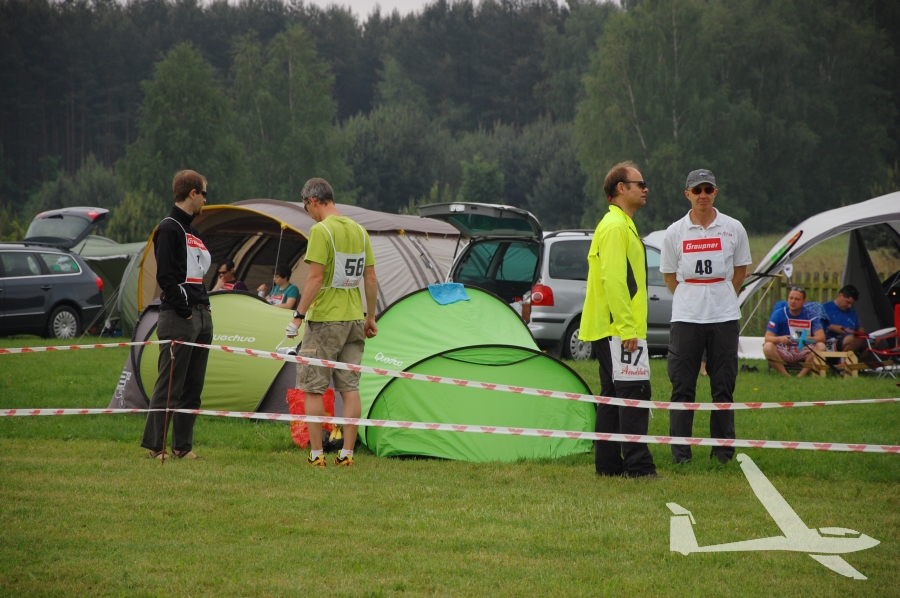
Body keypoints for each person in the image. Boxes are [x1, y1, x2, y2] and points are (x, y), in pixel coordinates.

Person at [660, 169, 752, 465]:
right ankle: (681, 455)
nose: (703, 195)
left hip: (724, 317)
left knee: (723, 386)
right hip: (686, 318)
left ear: (715, 192)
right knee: (682, 387)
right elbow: (669, 276)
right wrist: (692, 297)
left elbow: (740, 272)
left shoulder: (734, 228)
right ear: (687, 194)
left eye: (708, 190)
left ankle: (722, 454)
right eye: (697, 190)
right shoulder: (675, 232)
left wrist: (720, 296)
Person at [285, 178, 378, 468]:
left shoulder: (321, 230)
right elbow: (371, 278)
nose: (308, 213)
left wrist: (298, 316)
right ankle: (347, 454)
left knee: (313, 387)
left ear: (313, 201)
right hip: (355, 318)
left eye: (306, 207)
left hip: (325, 319)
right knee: (350, 389)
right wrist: (371, 316)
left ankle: (317, 455)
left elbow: (315, 278)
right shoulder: (360, 231)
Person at [579, 161, 658, 478]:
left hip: (613, 328)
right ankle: (639, 467)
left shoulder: (621, 224)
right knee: (633, 393)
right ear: (621, 188)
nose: (645, 189)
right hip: (617, 330)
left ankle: (609, 466)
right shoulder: (615, 227)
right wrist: (627, 329)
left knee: (612, 396)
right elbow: (614, 280)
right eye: (640, 184)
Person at [141, 170, 214, 459]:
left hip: (202, 315)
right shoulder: (168, 228)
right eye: (204, 193)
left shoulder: (193, 231)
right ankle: (155, 445)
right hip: (179, 316)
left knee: (193, 386)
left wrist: (203, 311)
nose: (206, 200)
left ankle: (182, 447)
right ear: (192, 193)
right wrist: (184, 310)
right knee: (170, 384)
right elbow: (165, 277)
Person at [763, 287, 826, 377]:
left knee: (821, 346)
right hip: (784, 348)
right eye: (791, 298)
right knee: (767, 346)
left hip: (804, 348)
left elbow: (822, 337)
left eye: (797, 299)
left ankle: (801, 375)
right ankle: (786, 375)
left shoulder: (811, 315)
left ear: (804, 301)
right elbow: (767, 338)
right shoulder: (778, 314)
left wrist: (807, 338)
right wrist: (780, 339)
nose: (793, 301)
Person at [822, 285, 866, 354]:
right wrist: (832, 327)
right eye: (848, 302)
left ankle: (857, 359)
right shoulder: (824, 308)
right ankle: (843, 359)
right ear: (840, 295)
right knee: (852, 339)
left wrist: (861, 335)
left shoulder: (852, 311)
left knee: (874, 341)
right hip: (830, 342)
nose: (849, 306)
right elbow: (816, 327)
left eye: (852, 304)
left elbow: (860, 328)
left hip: (850, 341)